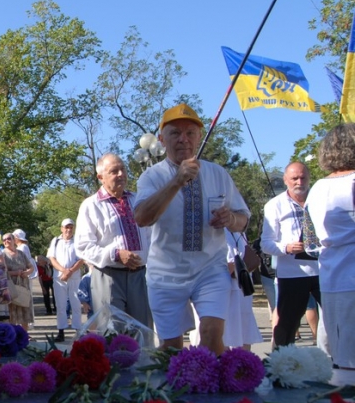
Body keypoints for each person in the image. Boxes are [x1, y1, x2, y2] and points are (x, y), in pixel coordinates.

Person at [135, 104, 250, 355]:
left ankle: (214, 390)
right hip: (165, 274)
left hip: (210, 269)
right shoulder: (151, 177)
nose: (183, 139)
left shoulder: (218, 174)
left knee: (211, 333)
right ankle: (178, 391)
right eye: (175, 133)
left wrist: (230, 218)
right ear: (162, 139)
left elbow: (243, 220)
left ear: (199, 137)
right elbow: (142, 217)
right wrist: (177, 180)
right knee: (170, 348)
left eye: (190, 133)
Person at [75, 153, 153, 328]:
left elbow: (151, 236)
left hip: (140, 276)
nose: (121, 174)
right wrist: (115, 254)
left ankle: (144, 357)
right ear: (100, 177)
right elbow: (83, 246)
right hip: (108, 276)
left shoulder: (137, 200)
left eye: (123, 169)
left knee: (144, 332)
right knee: (112, 333)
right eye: (114, 171)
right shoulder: (91, 205)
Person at [305, 123, 355, 378]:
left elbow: (310, 241)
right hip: (351, 271)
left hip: (329, 273)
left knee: (335, 348)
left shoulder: (317, 188)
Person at [260, 161, 321, 348]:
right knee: (287, 325)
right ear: (285, 180)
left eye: (303, 177)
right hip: (292, 273)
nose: (299, 182)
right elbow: (266, 243)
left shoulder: (319, 200)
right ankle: (280, 365)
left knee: (339, 319)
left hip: (323, 269)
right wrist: (286, 248)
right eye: (294, 178)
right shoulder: (275, 205)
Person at [46, 218, 84, 342]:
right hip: (59, 278)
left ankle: (78, 330)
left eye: (71, 227)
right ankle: (61, 330)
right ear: (61, 228)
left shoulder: (77, 241)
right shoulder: (56, 241)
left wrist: (70, 271)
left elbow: (81, 259)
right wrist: (64, 271)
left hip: (74, 277)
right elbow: (52, 258)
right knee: (60, 305)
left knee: (76, 304)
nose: (68, 230)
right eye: (66, 227)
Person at [2, 232, 35, 329]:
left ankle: (24, 336)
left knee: (25, 310)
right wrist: (16, 273)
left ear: (14, 240)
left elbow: (31, 267)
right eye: (4, 240)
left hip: (24, 285)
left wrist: (28, 272)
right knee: (12, 313)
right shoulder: (2, 255)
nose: (6, 241)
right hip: (11, 286)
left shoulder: (21, 253)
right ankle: (13, 337)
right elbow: (2, 271)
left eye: (8, 239)